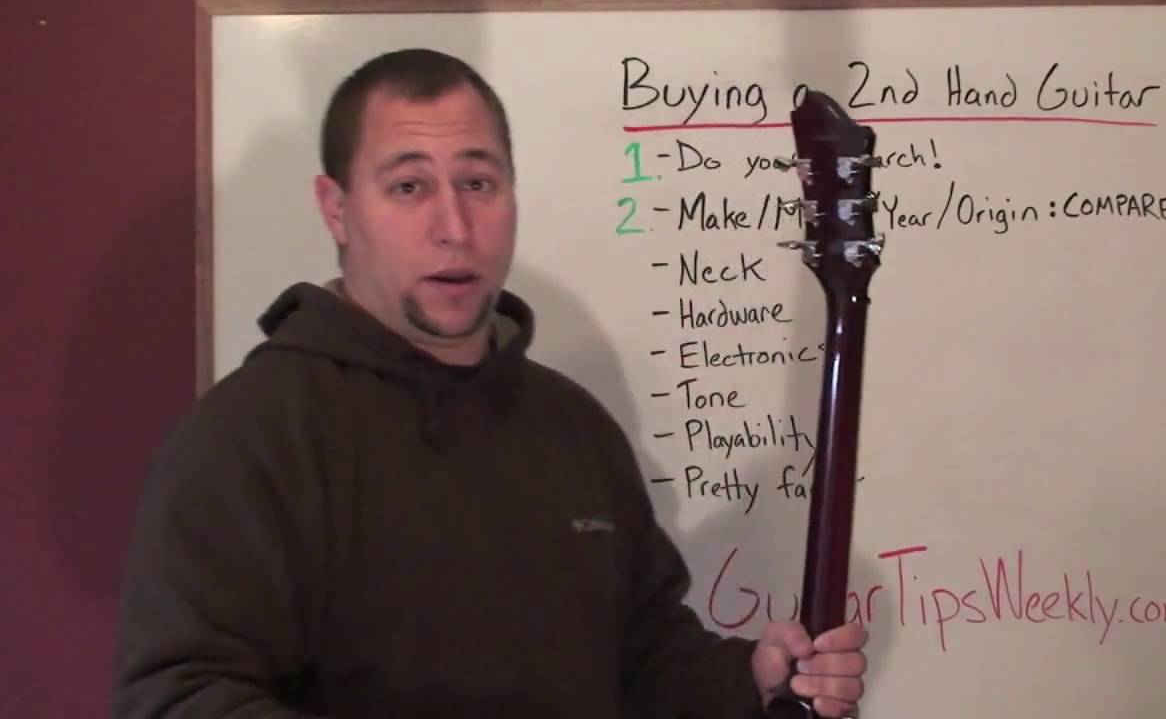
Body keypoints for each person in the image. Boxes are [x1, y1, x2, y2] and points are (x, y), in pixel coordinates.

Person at [112, 48, 868, 718]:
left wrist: (751, 681)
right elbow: (179, 697)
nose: (454, 226)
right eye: (408, 187)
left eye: (478, 182)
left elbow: (644, 659)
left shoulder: (572, 428)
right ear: (337, 210)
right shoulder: (250, 439)